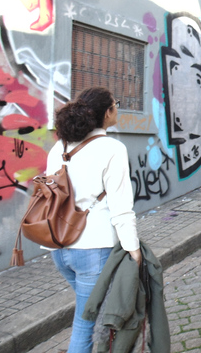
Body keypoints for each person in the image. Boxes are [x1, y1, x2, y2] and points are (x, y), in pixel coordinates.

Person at [47, 87, 141, 353]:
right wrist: (133, 250)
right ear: (107, 112)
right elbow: (121, 207)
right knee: (85, 324)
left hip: (60, 247)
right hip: (93, 251)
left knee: (87, 312)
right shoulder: (112, 148)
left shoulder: (59, 147)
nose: (118, 109)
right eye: (116, 104)